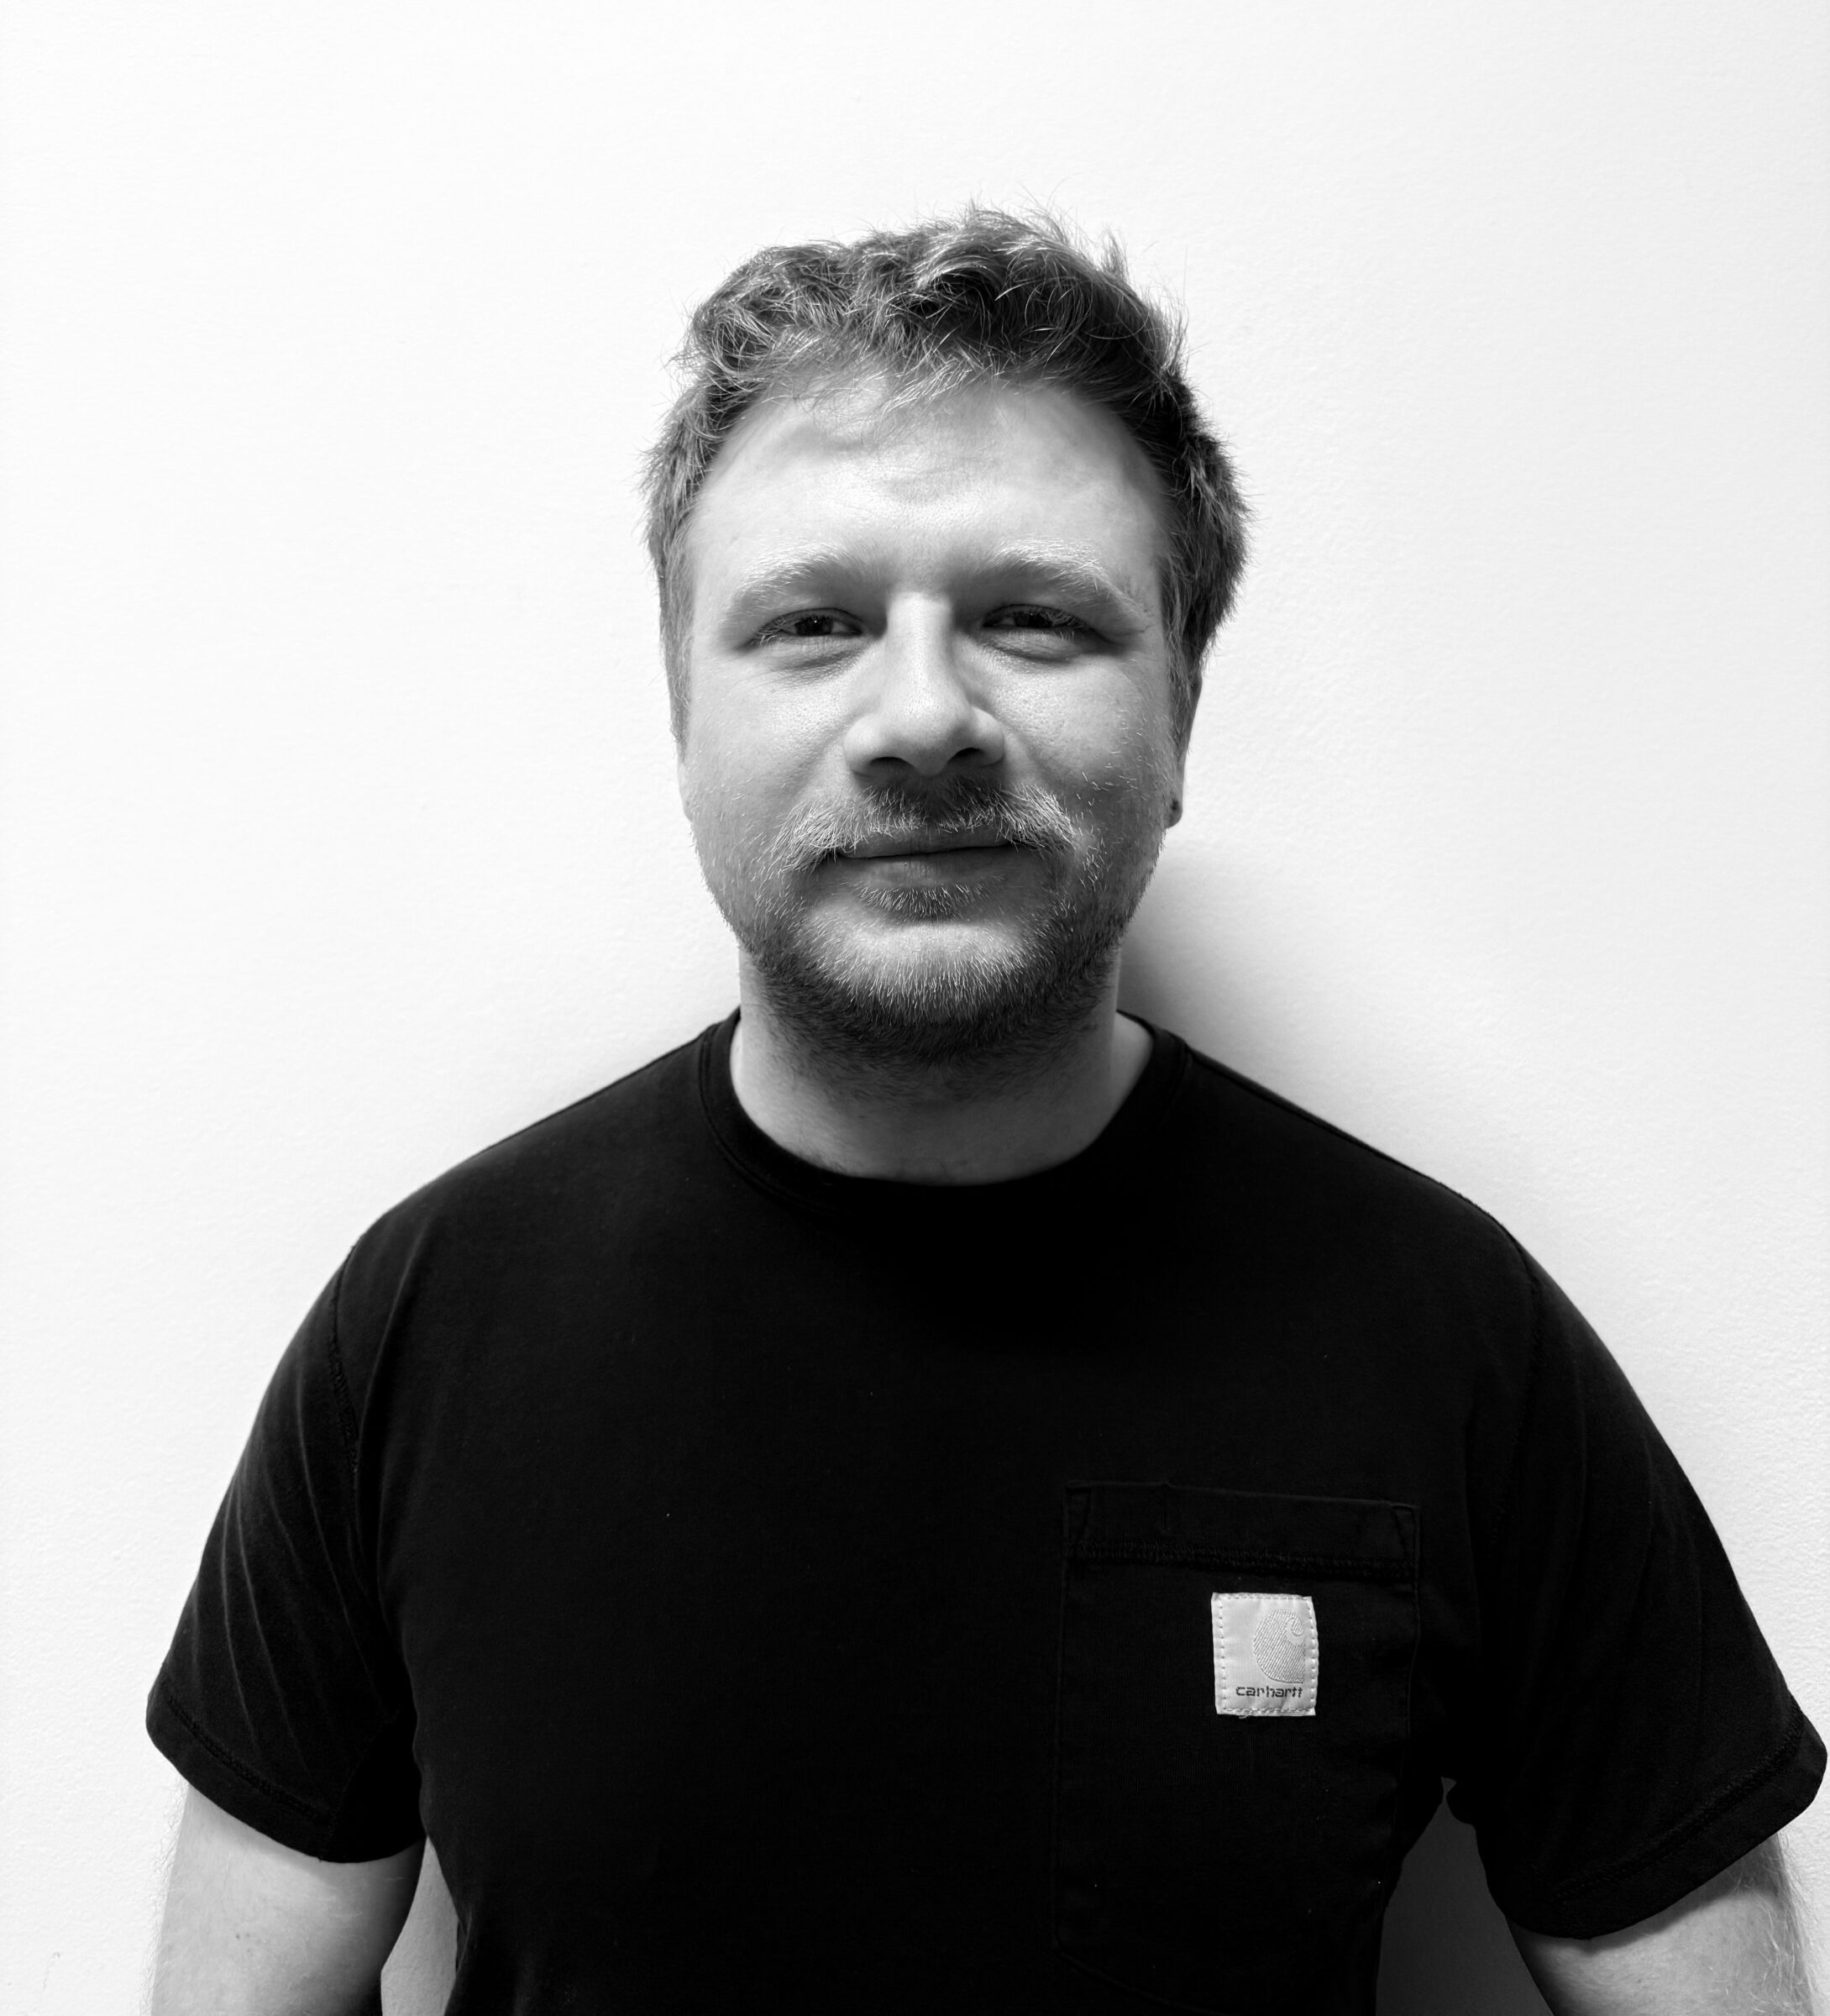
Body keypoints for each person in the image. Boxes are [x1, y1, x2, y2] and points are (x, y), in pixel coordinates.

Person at [147, 210, 1821, 2014]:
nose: (923, 715)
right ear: (681, 714)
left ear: (1179, 711)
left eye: (1031, 619)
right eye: (810, 623)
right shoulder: (430, 1319)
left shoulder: (1450, 1337)